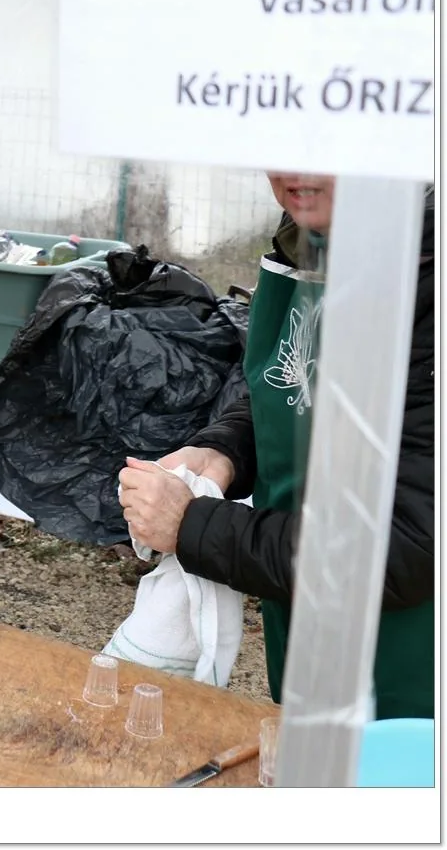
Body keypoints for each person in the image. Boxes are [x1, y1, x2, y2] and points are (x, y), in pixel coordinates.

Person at [118, 174, 434, 720]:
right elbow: (304, 386)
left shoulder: (427, 281)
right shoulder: (312, 234)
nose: (294, 168)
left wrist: (193, 526)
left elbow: (402, 547)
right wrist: (227, 449)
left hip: (413, 679)